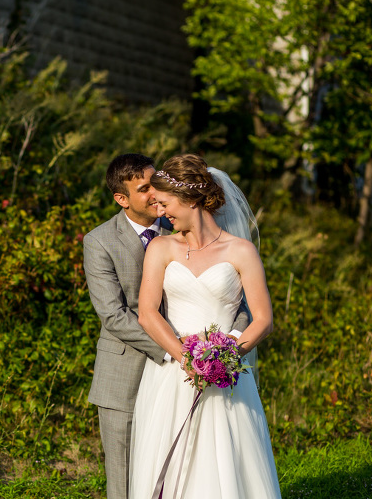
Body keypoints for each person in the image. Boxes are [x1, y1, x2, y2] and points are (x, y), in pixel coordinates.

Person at [83, 153, 249, 499]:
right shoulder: (99, 242)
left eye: (156, 184)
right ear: (122, 199)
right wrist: (180, 350)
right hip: (126, 374)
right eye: (144, 189)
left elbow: (240, 302)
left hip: (198, 369)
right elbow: (114, 314)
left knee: (190, 473)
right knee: (127, 480)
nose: (155, 195)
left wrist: (221, 349)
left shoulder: (185, 225)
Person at [128, 154, 281, 499]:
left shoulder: (241, 251)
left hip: (226, 376)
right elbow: (147, 313)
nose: (161, 212)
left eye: (165, 203)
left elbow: (263, 320)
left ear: (192, 200)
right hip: (173, 374)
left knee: (225, 462)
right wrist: (187, 357)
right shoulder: (162, 248)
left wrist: (225, 357)